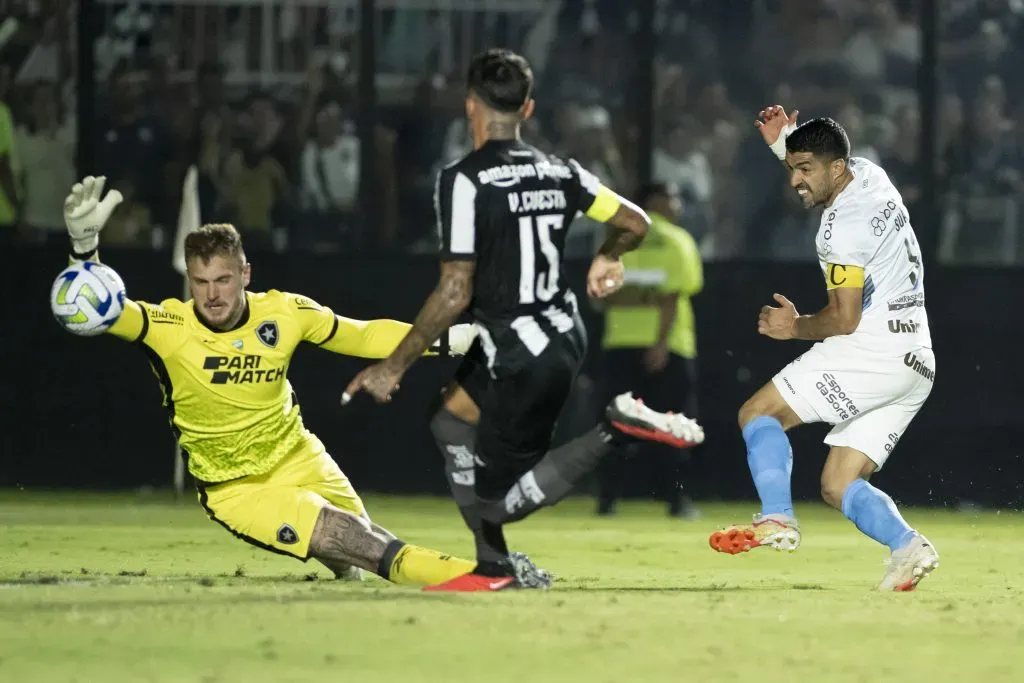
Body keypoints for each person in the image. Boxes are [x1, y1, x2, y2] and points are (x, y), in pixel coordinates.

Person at [343, 49, 705, 592]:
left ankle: (613, 427)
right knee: (447, 420)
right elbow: (636, 221)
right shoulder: (561, 171)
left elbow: (455, 288)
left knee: (496, 502)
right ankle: (495, 566)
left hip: (525, 353)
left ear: (470, 106)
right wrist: (608, 255)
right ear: (528, 108)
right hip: (552, 335)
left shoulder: (465, 179)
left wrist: (393, 365)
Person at [61, 175, 482, 588]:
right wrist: (83, 250)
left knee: (355, 552)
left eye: (222, 280)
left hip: (300, 456)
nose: (211, 295)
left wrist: (457, 340)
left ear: (245, 273)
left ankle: (383, 577)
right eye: (200, 282)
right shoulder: (167, 326)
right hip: (237, 488)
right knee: (352, 538)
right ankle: (477, 577)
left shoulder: (284, 313)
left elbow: (364, 334)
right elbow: (96, 309)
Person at [708, 106, 939, 592]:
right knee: (839, 484)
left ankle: (777, 517)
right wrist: (785, 143)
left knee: (759, 413)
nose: (795, 180)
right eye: (792, 168)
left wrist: (793, 327)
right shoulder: (871, 174)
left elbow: (844, 318)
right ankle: (908, 547)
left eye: (804, 169)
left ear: (835, 168)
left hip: (873, 350)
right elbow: (825, 162)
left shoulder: (841, 229)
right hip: (916, 359)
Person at [596, 181, 704, 519]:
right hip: (670, 346)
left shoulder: (617, 241)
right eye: (671, 197)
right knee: (673, 425)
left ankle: (607, 500)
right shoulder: (677, 240)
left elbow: (605, 296)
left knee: (615, 424)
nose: (677, 204)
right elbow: (671, 296)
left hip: (620, 343)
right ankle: (677, 501)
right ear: (653, 202)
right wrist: (660, 342)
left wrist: (633, 296)